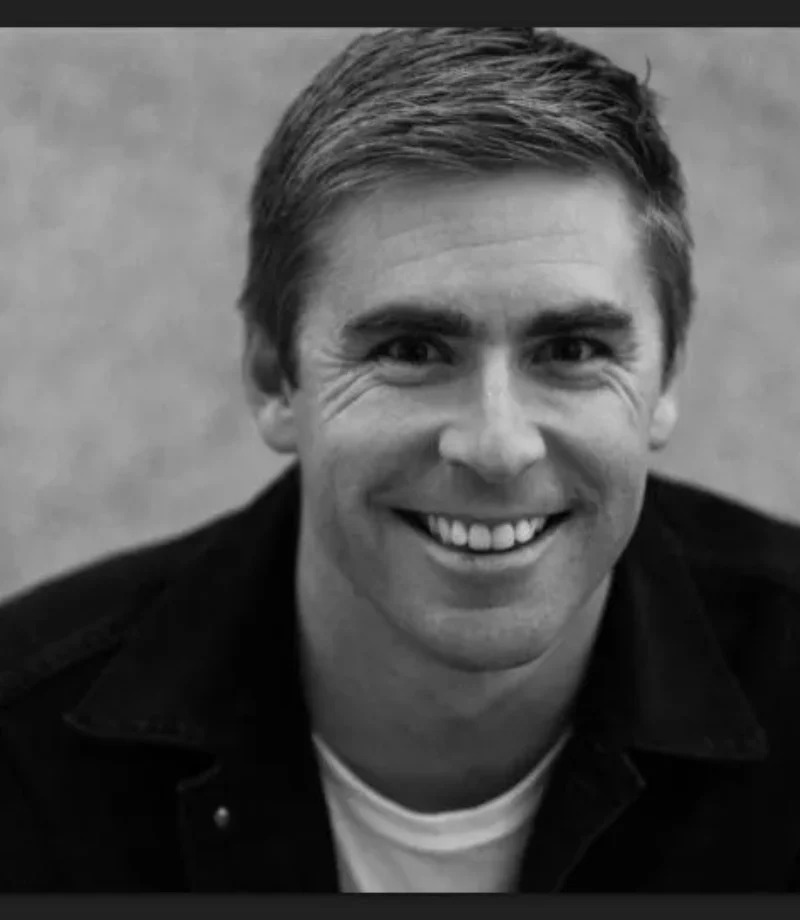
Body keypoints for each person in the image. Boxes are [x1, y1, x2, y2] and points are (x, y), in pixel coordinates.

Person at [1, 27, 799, 894]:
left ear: (666, 378)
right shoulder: (22, 755)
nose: (497, 446)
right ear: (276, 378)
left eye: (571, 348)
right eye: (413, 349)